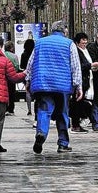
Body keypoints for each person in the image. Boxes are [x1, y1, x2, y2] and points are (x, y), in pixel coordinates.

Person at [26, 20, 82, 154]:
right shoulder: (69, 44)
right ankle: (63, 143)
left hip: (43, 83)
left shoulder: (39, 42)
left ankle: (41, 133)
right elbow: (75, 66)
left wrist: (28, 80)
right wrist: (78, 85)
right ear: (65, 31)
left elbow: (31, 63)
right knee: (62, 113)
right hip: (62, 85)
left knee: (44, 111)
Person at [70, 32, 93, 133]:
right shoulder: (77, 52)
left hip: (85, 80)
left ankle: (77, 123)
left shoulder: (85, 51)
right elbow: (78, 66)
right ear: (77, 42)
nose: (85, 42)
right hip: (79, 81)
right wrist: (90, 65)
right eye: (82, 40)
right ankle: (75, 124)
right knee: (77, 103)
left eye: (85, 40)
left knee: (80, 102)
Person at [3, 41, 20, 115]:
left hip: (3, 77)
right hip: (12, 77)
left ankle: (5, 108)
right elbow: (16, 66)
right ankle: (11, 109)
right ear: (11, 48)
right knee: (12, 93)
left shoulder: (2, 55)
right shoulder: (14, 56)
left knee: (4, 93)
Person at [20, 38, 35, 116]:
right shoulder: (35, 54)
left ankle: (29, 109)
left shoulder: (24, 54)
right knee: (36, 92)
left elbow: (22, 66)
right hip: (35, 74)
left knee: (28, 91)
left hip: (26, 74)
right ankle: (36, 107)